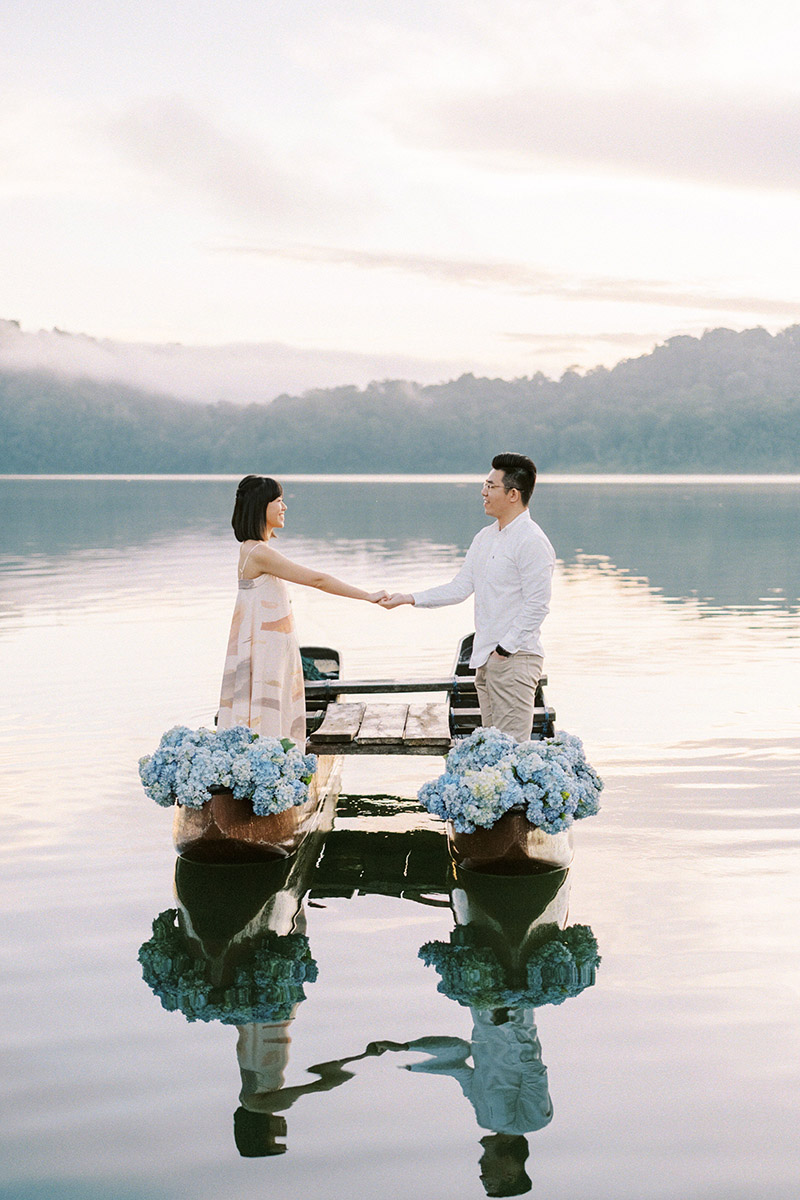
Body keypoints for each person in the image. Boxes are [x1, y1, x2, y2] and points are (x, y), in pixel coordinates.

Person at [379, 452, 555, 742]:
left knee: (511, 752)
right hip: (486, 659)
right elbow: (459, 587)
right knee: (491, 748)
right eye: (484, 484)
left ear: (513, 494)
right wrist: (409, 598)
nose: (483, 492)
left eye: (490, 486)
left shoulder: (532, 541)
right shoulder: (485, 537)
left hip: (515, 658)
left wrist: (504, 650)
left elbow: (538, 605)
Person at [218, 475, 387, 742]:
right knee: (270, 713)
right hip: (266, 652)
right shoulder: (259, 553)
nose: (284, 507)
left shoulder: (253, 549)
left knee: (270, 709)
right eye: (279, 501)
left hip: (269, 649)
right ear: (261, 507)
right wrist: (367, 596)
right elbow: (318, 580)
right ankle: (276, 763)